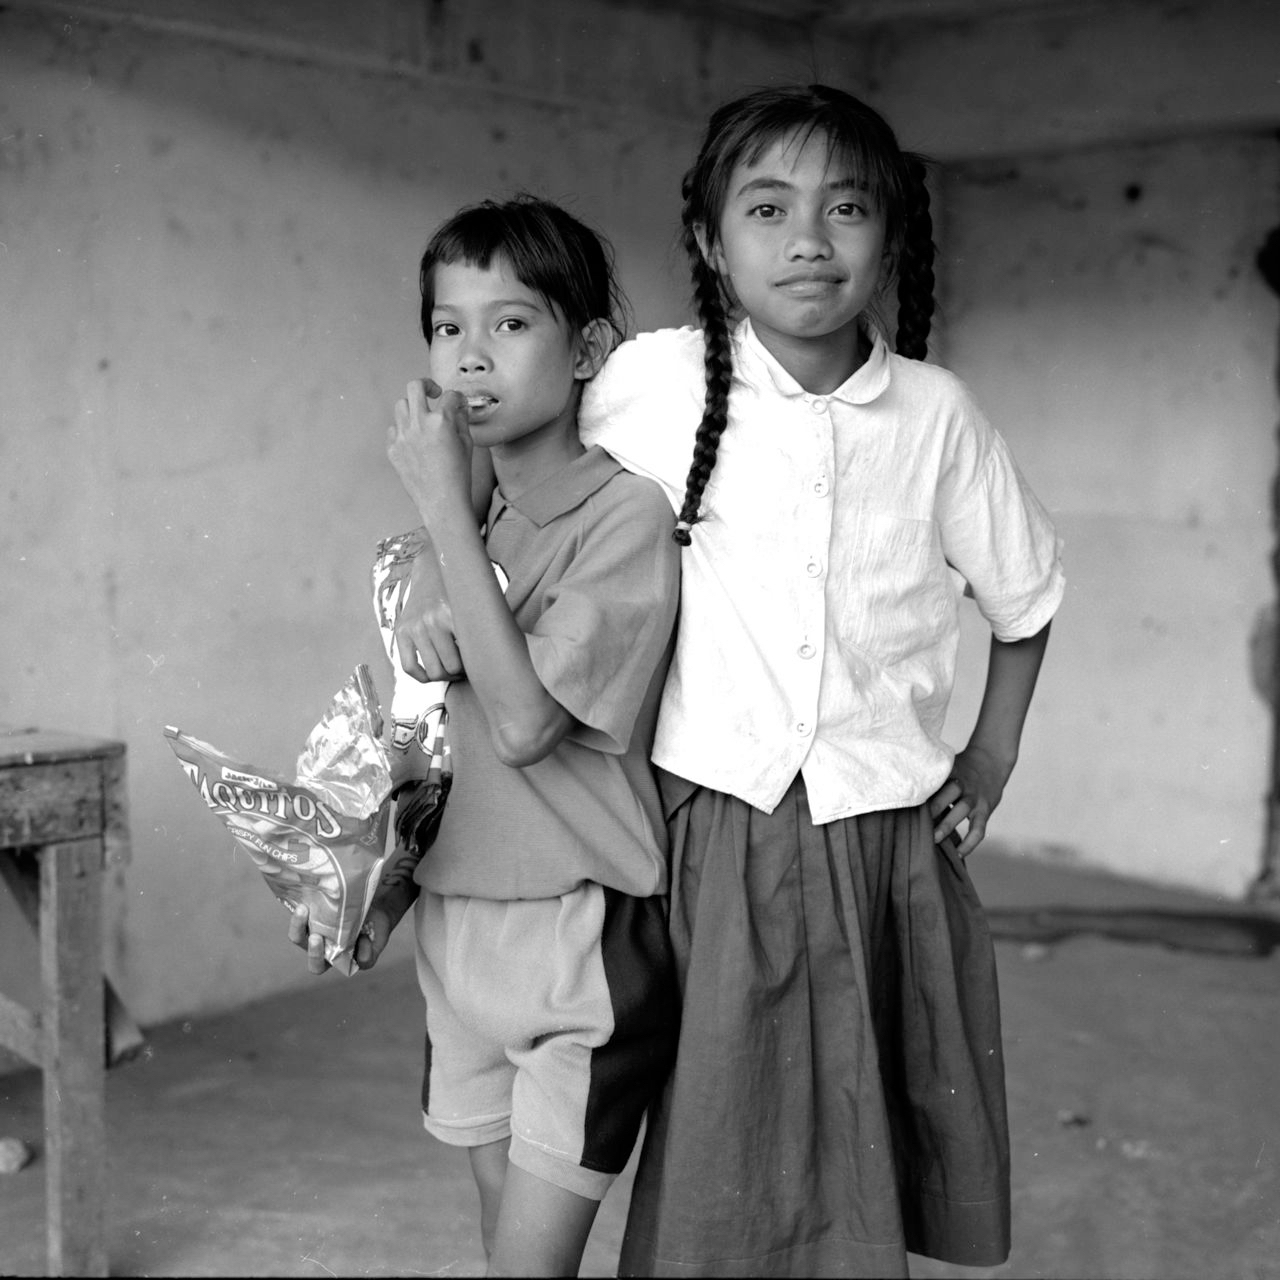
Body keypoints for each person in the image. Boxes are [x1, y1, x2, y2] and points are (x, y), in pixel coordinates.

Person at [392, 85, 1065, 1278]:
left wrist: (989, 755)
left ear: (889, 234)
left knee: (850, 1134)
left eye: (844, 207)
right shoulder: (652, 379)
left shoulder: (935, 416)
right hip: (705, 826)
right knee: (717, 1144)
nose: (806, 240)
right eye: (765, 208)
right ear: (710, 239)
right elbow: (520, 431)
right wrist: (456, 577)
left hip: (877, 832)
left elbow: (1023, 599)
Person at [293, 195, 682, 1277]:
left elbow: (521, 725)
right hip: (455, 939)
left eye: (510, 324)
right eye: (446, 325)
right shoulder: (451, 531)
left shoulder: (622, 517)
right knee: (496, 1243)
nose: (470, 358)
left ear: (587, 346)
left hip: (575, 946)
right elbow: (433, 741)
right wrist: (359, 888)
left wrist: (441, 518)